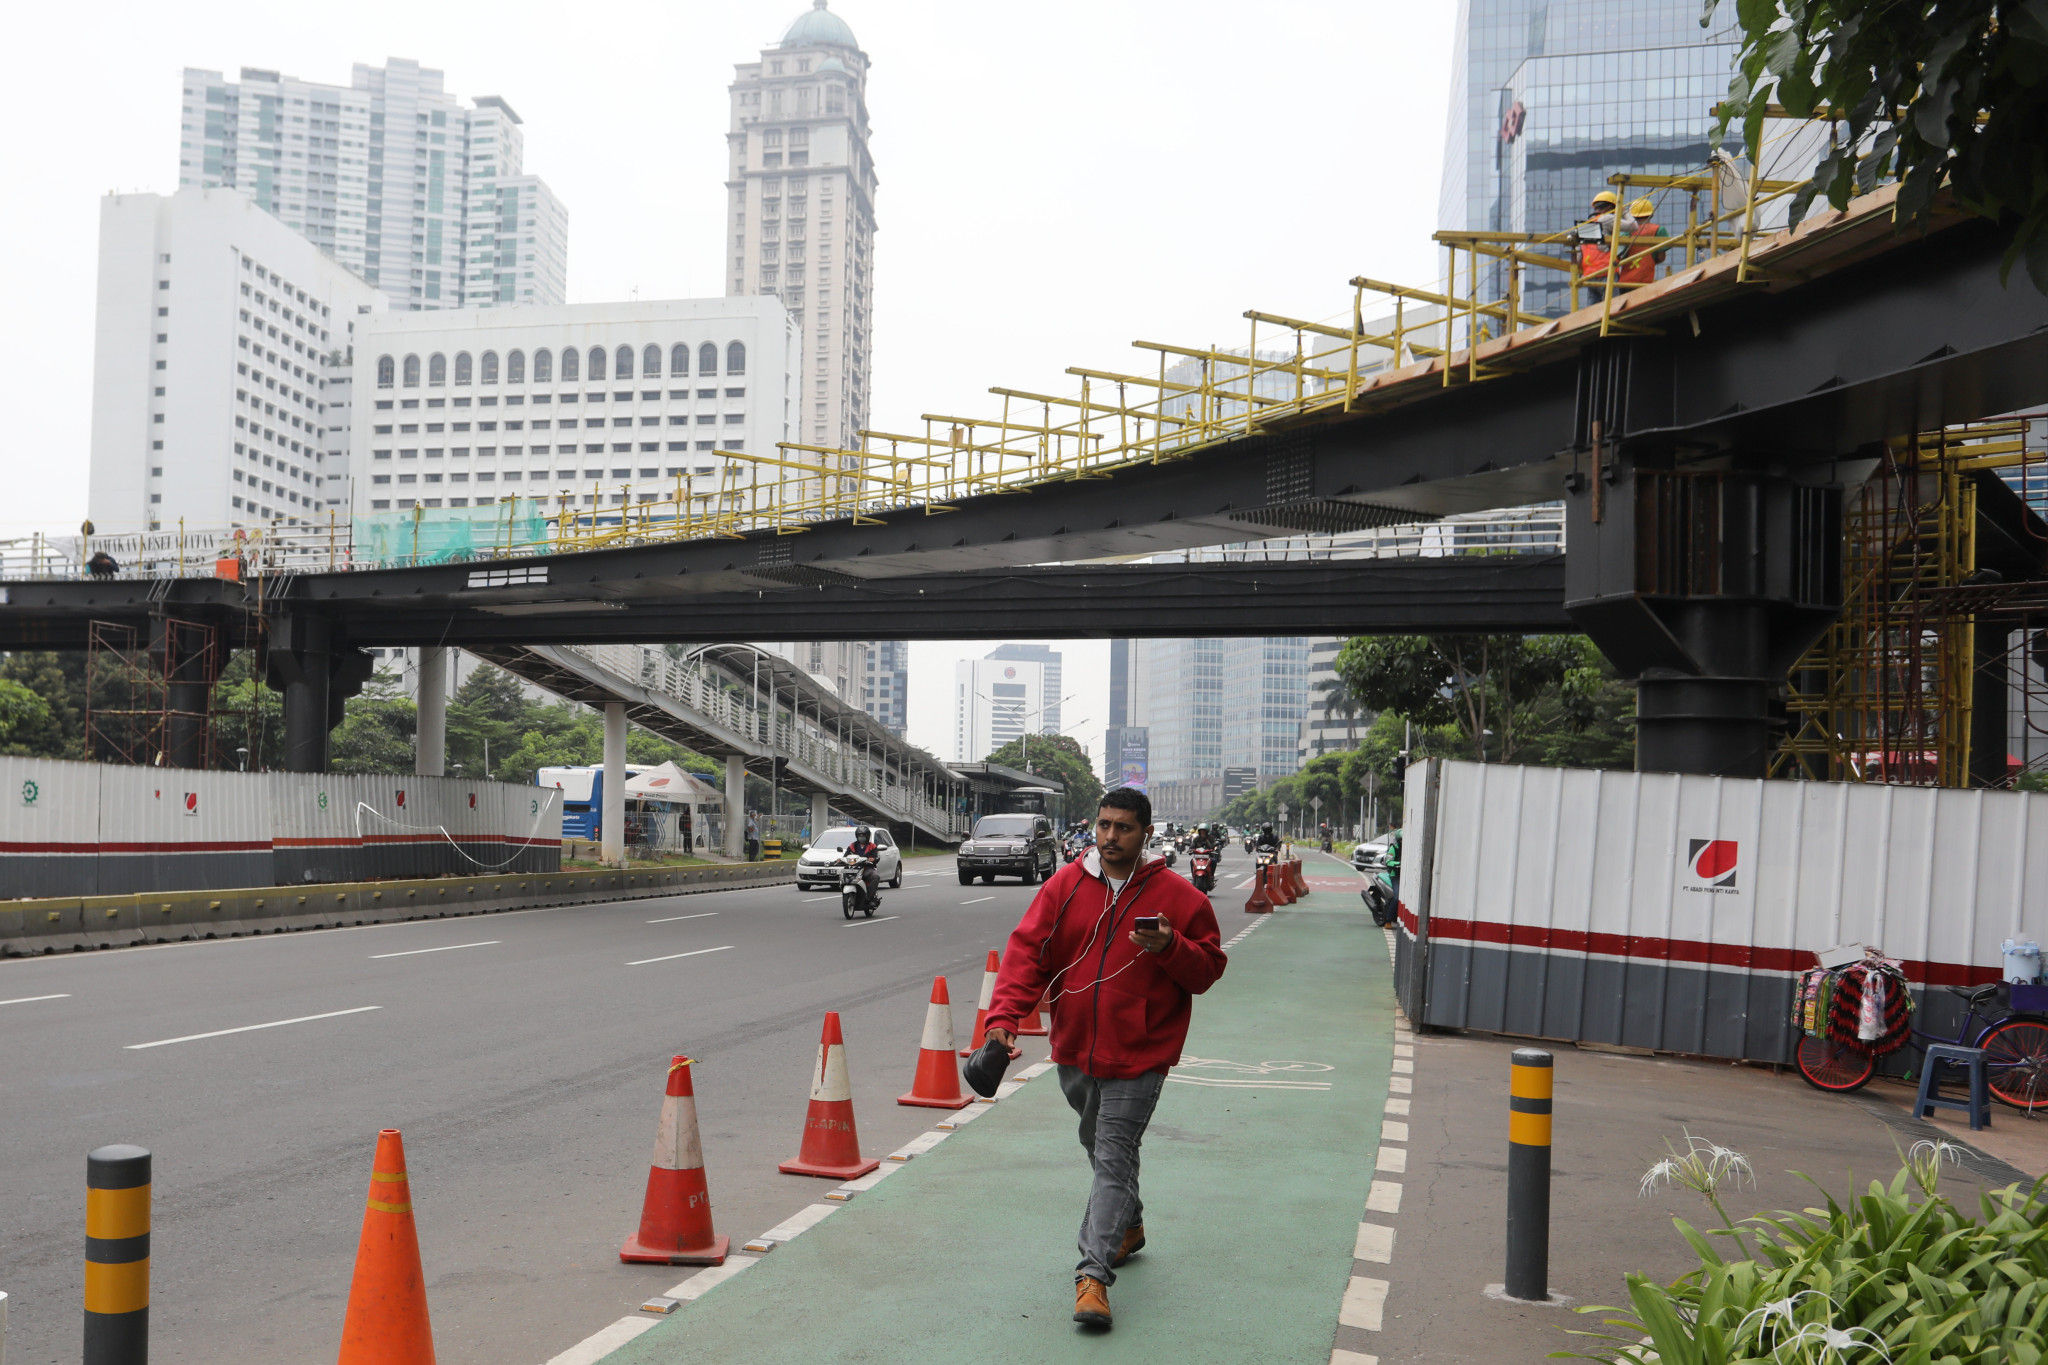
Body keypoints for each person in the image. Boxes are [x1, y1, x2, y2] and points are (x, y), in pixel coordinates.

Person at [982, 787, 1227, 1331]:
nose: (1111, 837)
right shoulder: (1064, 887)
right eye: (1104, 825)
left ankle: (1092, 1275)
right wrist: (1002, 1020)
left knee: (1114, 1152)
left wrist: (1171, 948)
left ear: (1145, 833)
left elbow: (1208, 970)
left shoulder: (1180, 898)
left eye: (1123, 828)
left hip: (1142, 1053)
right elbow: (1027, 955)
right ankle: (1130, 1226)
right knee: (1098, 1144)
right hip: (1073, 1049)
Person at [1574, 189, 1628, 289]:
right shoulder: (1608, 220)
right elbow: (1632, 226)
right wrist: (1624, 212)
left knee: (1595, 304)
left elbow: (1578, 255)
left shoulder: (1585, 226)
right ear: (1611, 208)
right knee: (1612, 303)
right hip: (1607, 272)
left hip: (1589, 275)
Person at [1618, 196, 1668, 286]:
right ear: (1651, 214)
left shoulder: (1626, 233)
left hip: (1625, 282)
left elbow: (1619, 256)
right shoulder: (1658, 230)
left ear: (1632, 215)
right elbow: (1661, 257)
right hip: (1645, 280)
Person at [843, 823, 882, 906]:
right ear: (856, 836)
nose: (861, 837)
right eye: (859, 835)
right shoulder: (852, 846)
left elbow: (876, 856)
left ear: (867, 836)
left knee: (875, 877)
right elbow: (846, 856)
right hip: (853, 868)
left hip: (867, 868)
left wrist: (873, 859)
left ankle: (870, 899)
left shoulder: (872, 846)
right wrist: (841, 859)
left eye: (863, 835)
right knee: (842, 874)